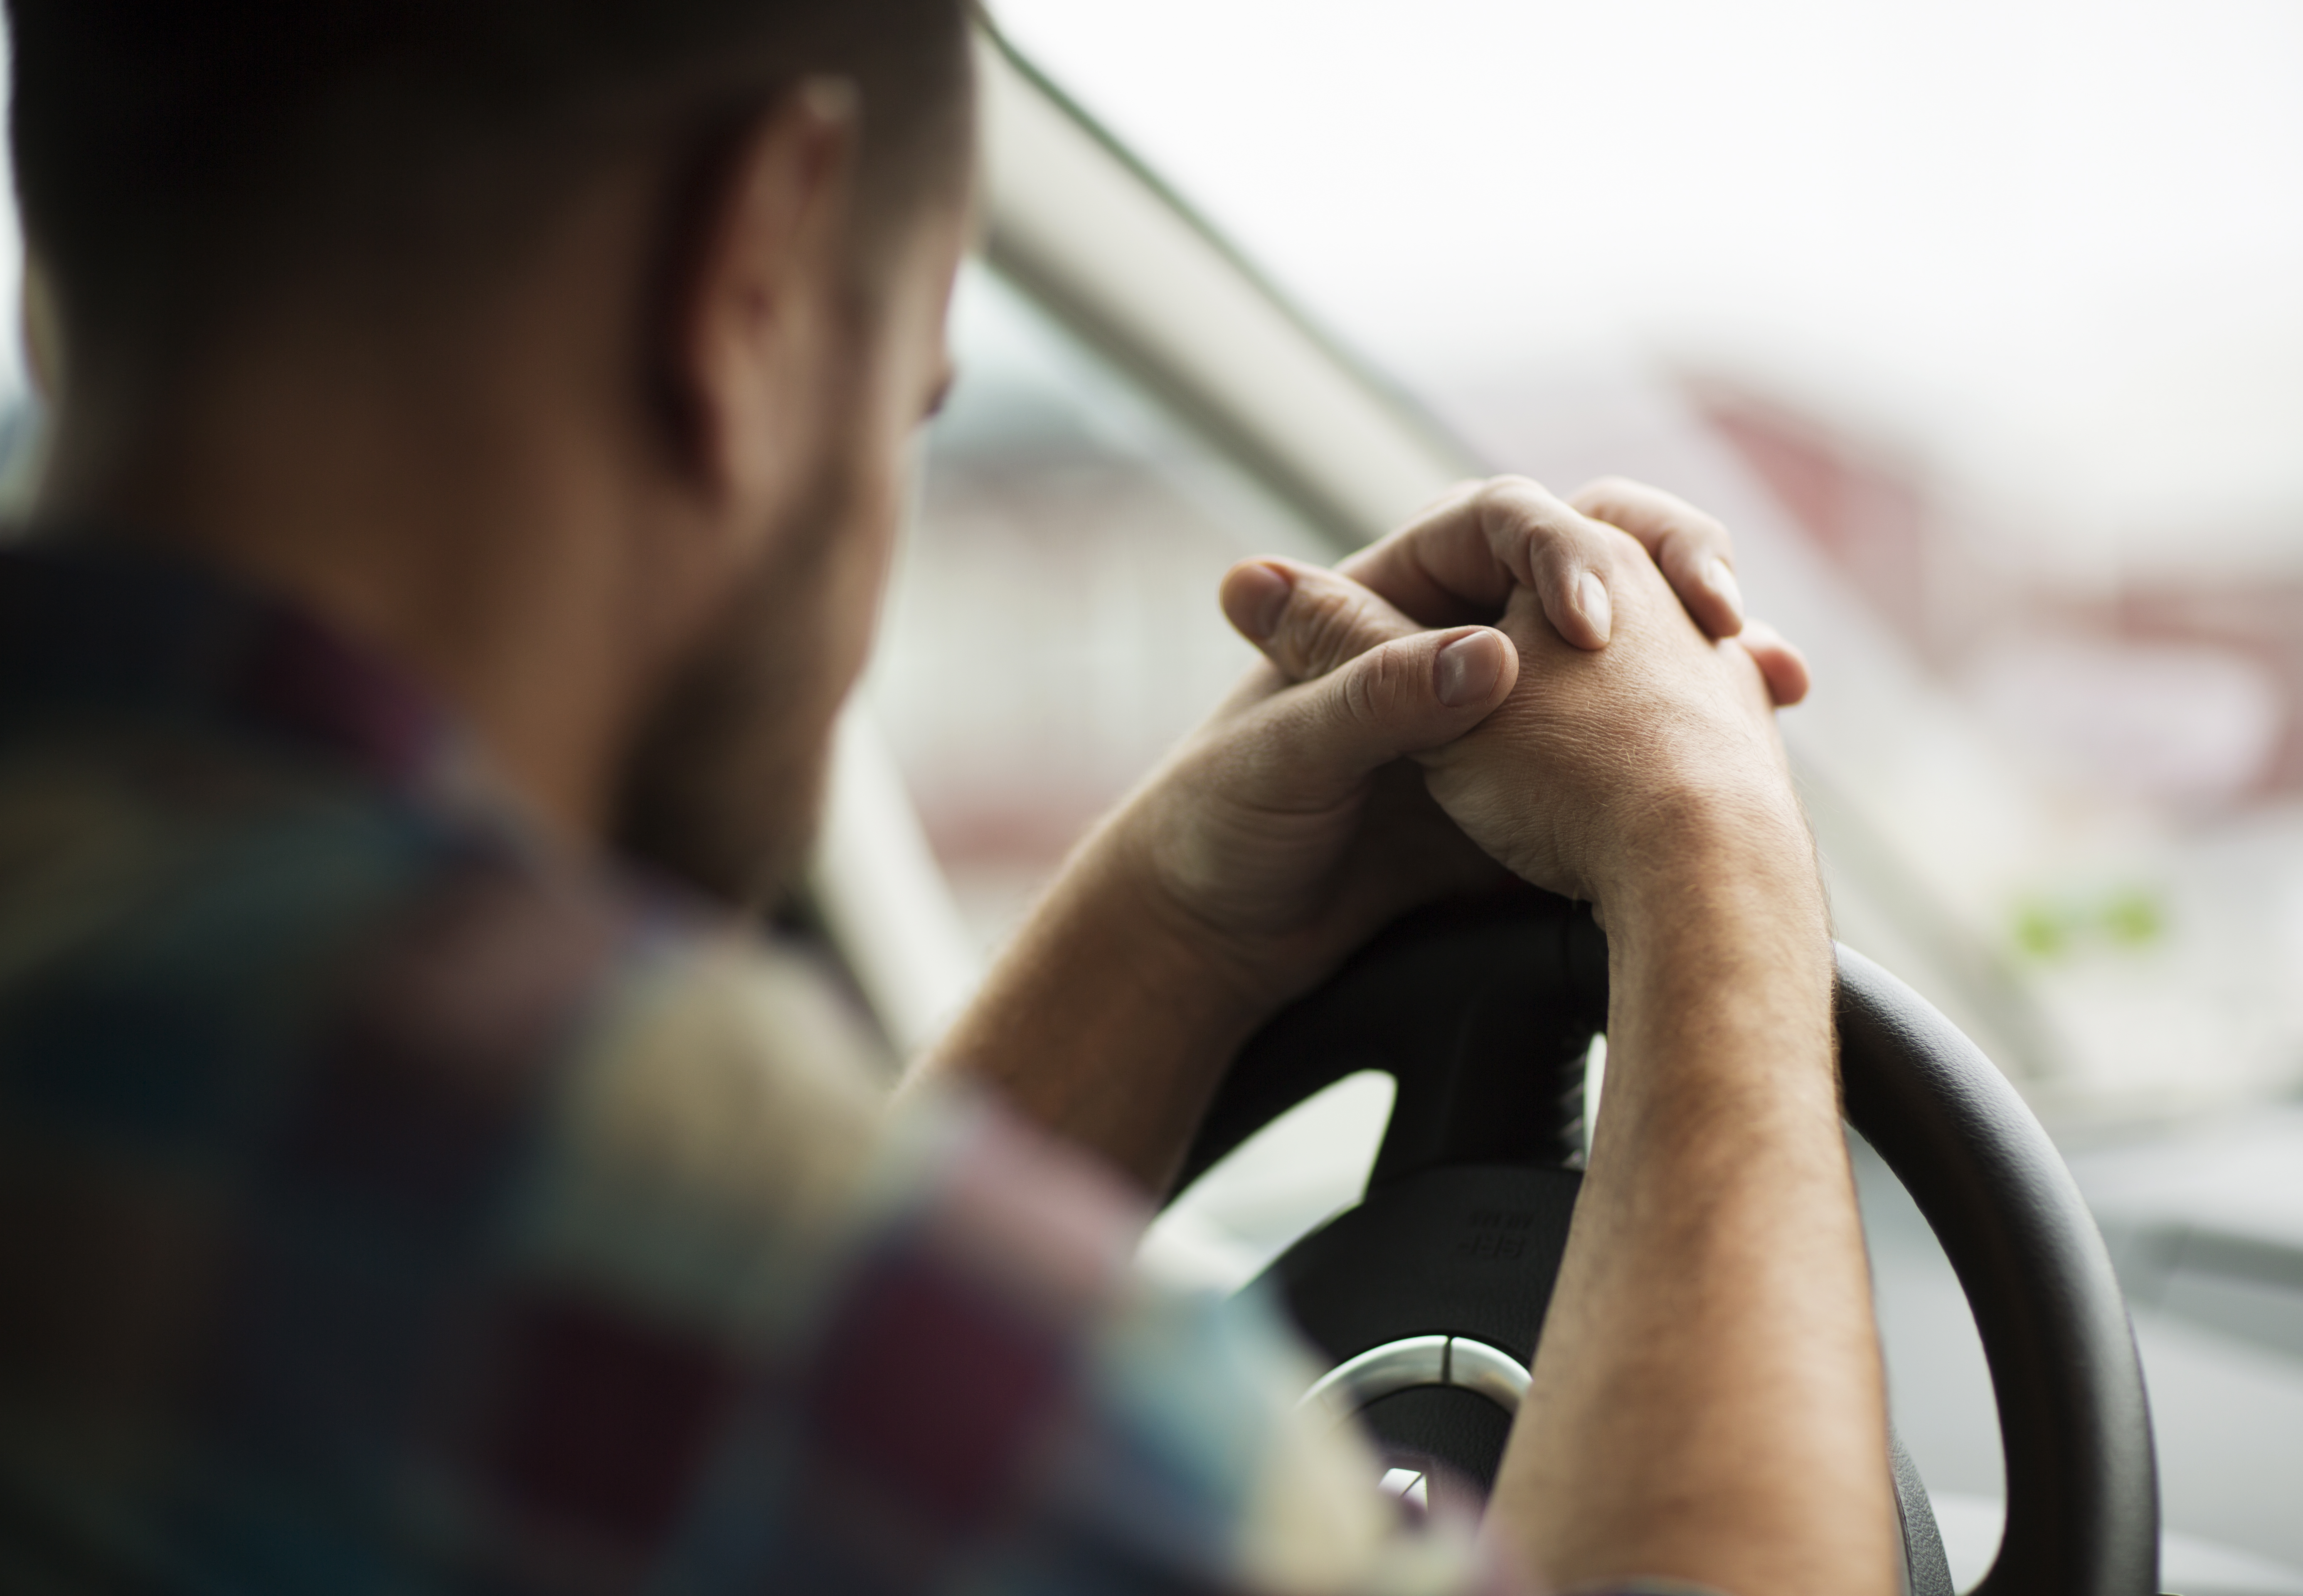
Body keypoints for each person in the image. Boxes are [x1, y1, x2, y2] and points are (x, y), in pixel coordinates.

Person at [0, 2, 1892, 1593]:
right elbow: (790, 1340)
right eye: (911, 401)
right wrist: (1709, 845)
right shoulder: (600, 1214)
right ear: (750, 270)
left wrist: (1170, 926)